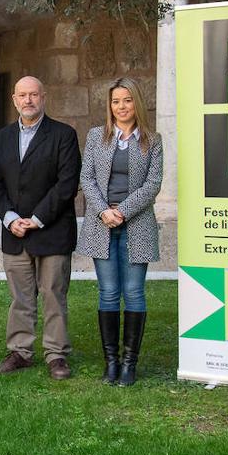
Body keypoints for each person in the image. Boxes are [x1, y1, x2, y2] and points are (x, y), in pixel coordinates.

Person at [0, 76, 80, 380]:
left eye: (34, 95)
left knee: (53, 294)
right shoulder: (0, 138)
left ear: (44, 97)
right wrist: (10, 217)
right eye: (22, 95)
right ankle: (20, 352)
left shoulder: (63, 135)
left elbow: (67, 184)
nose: (28, 100)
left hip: (51, 230)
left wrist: (38, 218)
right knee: (20, 297)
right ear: (14, 100)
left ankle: (56, 355)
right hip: (13, 231)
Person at [76, 77, 162, 386]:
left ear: (136, 103)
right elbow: (87, 177)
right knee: (109, 292)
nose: (121, 107)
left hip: (136, 224)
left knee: (134, 292)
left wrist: (123, 211)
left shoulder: (152, 140)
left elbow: (153, 185)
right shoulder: (97, 136)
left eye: (126, 100)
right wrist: (104, 211)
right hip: (102, 223)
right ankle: (111, 362)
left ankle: (129, 363)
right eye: (115, 101)